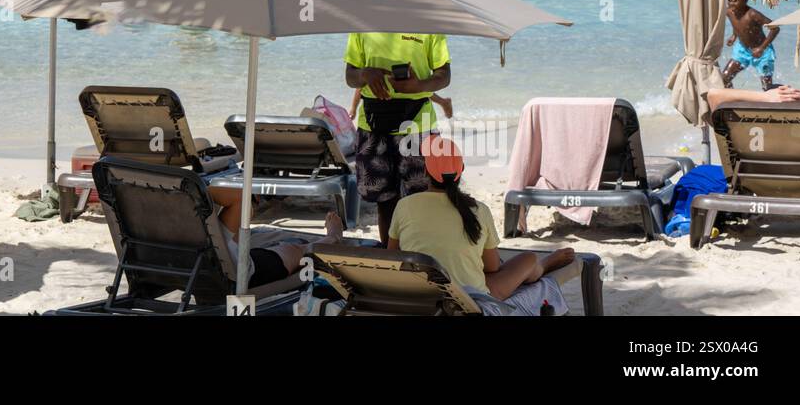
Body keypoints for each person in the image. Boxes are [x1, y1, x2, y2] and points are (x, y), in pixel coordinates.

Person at [388, 136, 576, 315]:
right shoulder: (479, 210)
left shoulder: (404, 205)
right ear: (460, 171)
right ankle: (542, 266)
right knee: (528, 259)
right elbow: (492, 267)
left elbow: (393, 255)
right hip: (468, 299)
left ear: (426, 172)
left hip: (419, 294)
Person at [344, 31, 452, 245]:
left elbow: (444, 75)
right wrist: (365, 74)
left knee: (422, 198)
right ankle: (390, 255)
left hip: (418, 126)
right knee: (384, 200)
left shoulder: (427, 23)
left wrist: (419, 86)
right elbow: (350, 76)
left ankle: (421, 255)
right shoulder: (361, 23)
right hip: (373, 125)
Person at [208, 186, 346, 287]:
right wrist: (199, 189)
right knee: (296, 250)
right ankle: (332, 238)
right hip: (236, 273)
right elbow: (241, 197)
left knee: (241, 217)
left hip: (197, 265)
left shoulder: (189, 222)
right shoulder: (191, 207)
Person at [722, 0, 778, 90]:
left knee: (767, 87)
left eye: (735, 0)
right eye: (729, 0)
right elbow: (737, 24)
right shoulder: (729, 12)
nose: (731, 3)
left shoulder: (753, 14)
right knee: (724, 78)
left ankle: (783, 96)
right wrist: (734, 36)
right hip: (742, 50)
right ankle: (733, 101)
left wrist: (761, 48)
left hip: (762, 52)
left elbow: (775, 28)